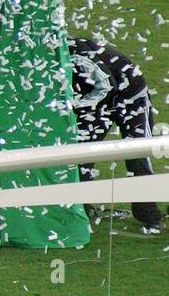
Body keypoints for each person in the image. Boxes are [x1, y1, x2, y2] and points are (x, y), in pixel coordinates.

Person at [69, 37, 163, 232]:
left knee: (138, 155)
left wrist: (75, 106)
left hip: (130, 96)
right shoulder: (49, 63)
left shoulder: (78, 55)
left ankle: (151, 217)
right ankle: (81, 213)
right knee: (79, 157)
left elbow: (106, 84)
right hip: (95, 104)